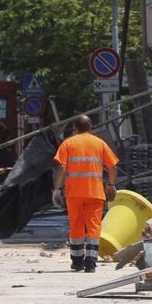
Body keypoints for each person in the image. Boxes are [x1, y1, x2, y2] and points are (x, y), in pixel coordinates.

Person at [53, 115, 119, 272]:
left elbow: (61, 168)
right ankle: (90, 262)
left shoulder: (68, 143)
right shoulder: (100, 143)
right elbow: (112, 167)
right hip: (95, 192)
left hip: (74, 193)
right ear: (91, 127)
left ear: (75, 129)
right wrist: (111, 185)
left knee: (76, 225)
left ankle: (77, 261)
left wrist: (56, 189)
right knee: (94, 226)